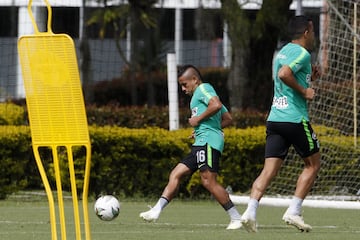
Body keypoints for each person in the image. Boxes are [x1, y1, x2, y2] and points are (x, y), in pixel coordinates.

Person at [240, 15, 321, 233]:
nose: (314, 36)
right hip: (294, 119)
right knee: (313, 165)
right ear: (306, 32)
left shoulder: (282, 52)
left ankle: (250, 212)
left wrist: (308, 78)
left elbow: (284, 74)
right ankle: (293, 211)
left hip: (275, 118)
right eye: (313, 31)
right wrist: (305, 91)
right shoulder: (303, 53)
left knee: (268, 171)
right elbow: (285, 74)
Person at [139, 64, 242, 230]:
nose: (182, 88)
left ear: (195, 80)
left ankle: (236, 217)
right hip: (201, 141)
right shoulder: (199, 96)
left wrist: (198, 121)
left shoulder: (204, 89)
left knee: (208, 181)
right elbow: (228, 118)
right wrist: (201, 129)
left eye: (185, 84)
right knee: (176, 174)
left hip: (208, 142)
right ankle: (156, 211)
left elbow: (215, 105)